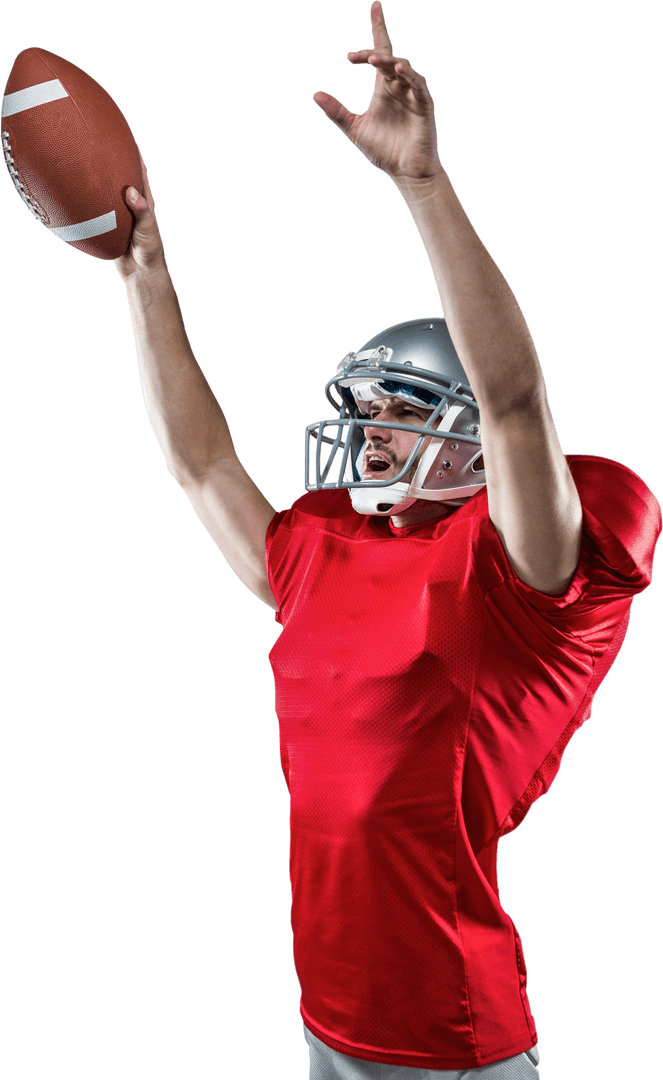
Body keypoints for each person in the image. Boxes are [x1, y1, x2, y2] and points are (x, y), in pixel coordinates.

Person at [114, 3, 660, 1077]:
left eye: (404, 413)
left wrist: (422, 185)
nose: (373, 438)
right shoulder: (323, 554)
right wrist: (144, 282)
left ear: (463, 439)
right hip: (327, 1008)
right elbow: (202, 465)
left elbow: (512, 402)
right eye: (366, 413)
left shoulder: (524, 573)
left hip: (451, 1031)